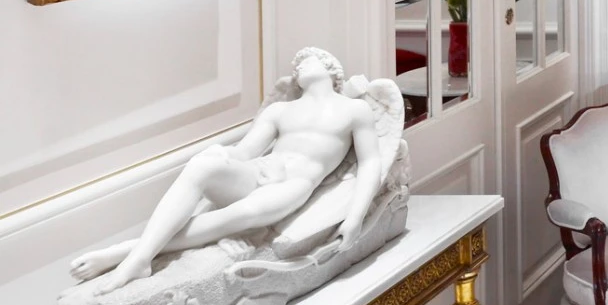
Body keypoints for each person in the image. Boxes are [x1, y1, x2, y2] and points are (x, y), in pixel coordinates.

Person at [69, 48, 387, 288]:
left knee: (230, 218)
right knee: (200, 166)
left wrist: (355, 217)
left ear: (331, 69)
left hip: (291, 186)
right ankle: (140, 258)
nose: (299, 64)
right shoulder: (280, 110)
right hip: (257, 171)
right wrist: (218, 155)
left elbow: (371, 161)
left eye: (308, 59)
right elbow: (245, 151)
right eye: (297, 63)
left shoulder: (354, 109)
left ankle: (125, 252)